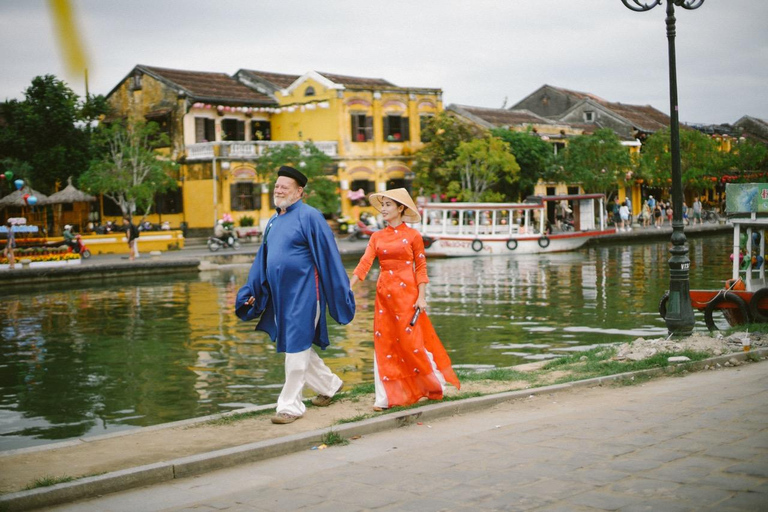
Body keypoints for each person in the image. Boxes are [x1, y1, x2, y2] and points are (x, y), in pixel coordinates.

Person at [235, 166, 355, 425]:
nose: (278, 190)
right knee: (296, 345)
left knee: (296, 347)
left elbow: (329, 256)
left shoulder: (311, 217)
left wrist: (340, 291)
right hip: (280, 296)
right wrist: (253, 291)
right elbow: (262, 260)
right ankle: (330, 385)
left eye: (284, 187)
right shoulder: (274, 221)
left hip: (305, 293)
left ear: (299, 192)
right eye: (276, 186)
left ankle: (290, 406)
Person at [350, 188, 460, 411]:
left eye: (388, 205)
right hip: (384, 296)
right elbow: (365, 263)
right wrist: (348, 286)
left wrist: (422, 297)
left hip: (408, 295)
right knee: (385, 342)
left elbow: (420, 267)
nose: (383, 209)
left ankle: (434, 383)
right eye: (382, 205)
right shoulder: (377, 237)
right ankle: (384, 396)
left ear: (401, 208)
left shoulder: (413, 236)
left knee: (412, 342)